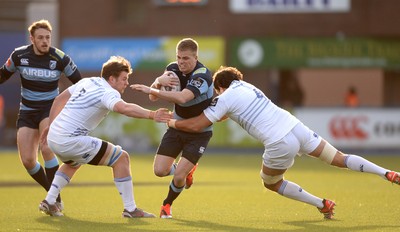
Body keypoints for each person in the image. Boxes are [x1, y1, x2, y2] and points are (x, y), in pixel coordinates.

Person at [166, 66, 400, 219]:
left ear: (220, 88)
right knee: (339, 158)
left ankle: (322, 203)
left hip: (279, 142)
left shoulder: (225, 97)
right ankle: (386, 172)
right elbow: (228, 112)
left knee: (270, 182)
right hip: (295, 127)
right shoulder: (248, 87)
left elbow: (198, 124)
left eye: (217, 92)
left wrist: (172, 123)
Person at [38, 56, 171, 218]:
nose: (126, 83)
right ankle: (131, 209)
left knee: (73, 163)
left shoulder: (89, 81)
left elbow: (59, 99)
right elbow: (124, 108)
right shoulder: (107, 92)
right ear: (111, 78)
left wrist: (50, 126)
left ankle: (50, 200)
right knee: (121, 158)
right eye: (124, 78)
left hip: (55, 136)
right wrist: (152, 114)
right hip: (69, 139)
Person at [0, 19, 82, 207]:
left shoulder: (60, 58)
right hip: (27, 111)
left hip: (50, 109)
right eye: (41, 38)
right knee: (28, 161)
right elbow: (3, 75)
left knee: (46, 148)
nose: (45, 41)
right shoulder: (19, 56)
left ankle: (53, 199)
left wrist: (74, 107)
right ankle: (52, 194)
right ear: (32, 39)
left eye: (48, 37)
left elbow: (79, 83)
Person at [131, 38, 214, 218]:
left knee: (178, 178)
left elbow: (183, 98)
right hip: (176, 128)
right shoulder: (172, 69)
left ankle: (166, 205)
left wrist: (150, 89)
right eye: (178, 57)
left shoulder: (203, 75)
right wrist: (158, 81)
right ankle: (186, 169)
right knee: (159, 171)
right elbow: (154, 98)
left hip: (199, 132)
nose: (181, 62)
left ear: (195, 57)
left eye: (186, 58)